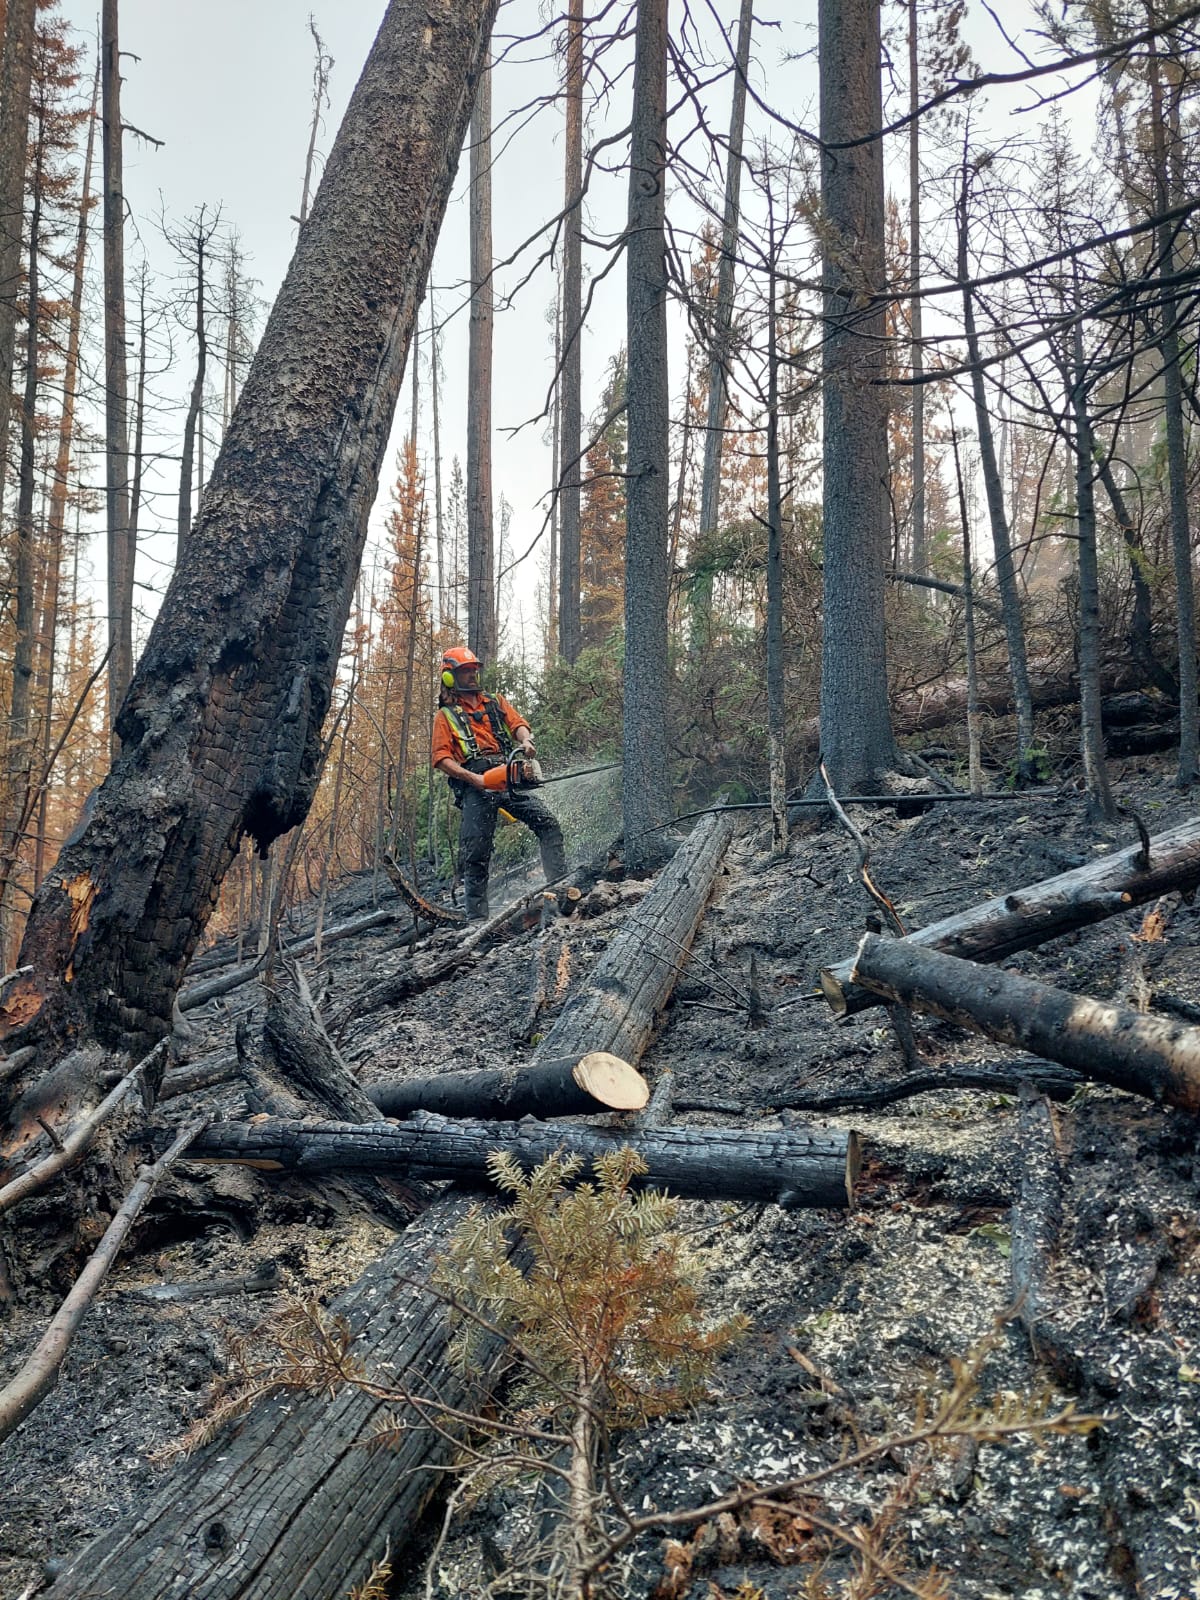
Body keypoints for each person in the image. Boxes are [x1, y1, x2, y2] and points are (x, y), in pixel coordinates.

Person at [431, 646, 567, 920]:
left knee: (548, 824)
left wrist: (526, 740)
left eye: (473, 670)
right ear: (450, 677)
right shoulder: (445, 716)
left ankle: (559, 890)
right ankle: (477, 919)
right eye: (465, 672)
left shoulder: (495, 701)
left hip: (506, 776)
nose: (472, 676)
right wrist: (475, 779)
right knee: (476, 851)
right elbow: (441, 758)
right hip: (475, 784)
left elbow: (518, 723)